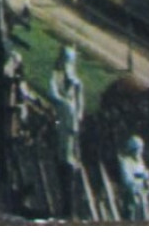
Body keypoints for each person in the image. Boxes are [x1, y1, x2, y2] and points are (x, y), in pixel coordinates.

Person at [49, 46, 85, 217]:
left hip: (72, 121)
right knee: (64, 150)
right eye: (66, 59)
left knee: (72, 147)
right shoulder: (57, 74)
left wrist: (77, 111)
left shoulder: (74, 77)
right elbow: (53, 92)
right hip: (62, 117)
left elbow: (80, 100)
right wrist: (64, 102)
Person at [117, 135, 149, 221]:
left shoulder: (140, 163)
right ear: (133, 149)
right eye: (138, 149)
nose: (140, 152)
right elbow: (127, 181)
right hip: (131, 199)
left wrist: (147, 182)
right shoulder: (126, 162)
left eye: (141, 149)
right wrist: (140, 180)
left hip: (142, 199)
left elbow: (147, 185)